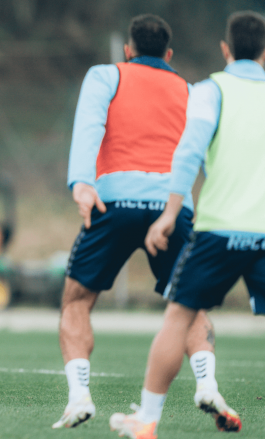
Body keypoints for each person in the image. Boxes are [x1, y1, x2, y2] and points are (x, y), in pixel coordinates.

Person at [54, 14, 222, 429]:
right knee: (188, 303)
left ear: (128, 50)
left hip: (112, 204)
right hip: (171, 209)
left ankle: (79, 398)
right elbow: (200, 148)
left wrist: (81, 183)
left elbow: (89, 125)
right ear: (168, 54)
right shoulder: (190, 89)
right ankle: (208, 385)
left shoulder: (106, 74)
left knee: (76, 301)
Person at [110, 11, 265, 438]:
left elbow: (188, 153)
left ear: (226, 49)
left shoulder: (210, 90)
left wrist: (169, 213)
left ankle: (146, 421)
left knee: (178, 318)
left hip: (218, 230)